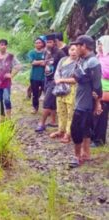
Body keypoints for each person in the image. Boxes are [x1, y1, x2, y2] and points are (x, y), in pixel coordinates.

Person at [69, 35, 103, 168]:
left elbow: (96, 85)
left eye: (77, 46)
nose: (75, 48)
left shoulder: (93, 62)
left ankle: (77, 157)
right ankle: (86, 154)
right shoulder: (83, 60)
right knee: (85, 128)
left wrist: (97, 103)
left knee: (76, 128)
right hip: (81, 98)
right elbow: (78, 77)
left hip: (86, 102)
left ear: (84, 46)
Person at [35, 33, 66, 132]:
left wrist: (60, 79)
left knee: (47, 101)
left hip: (55, 80)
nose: (48, 44)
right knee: (52, 102)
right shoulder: (46, 52)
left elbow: (65, 65)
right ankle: (53, 121)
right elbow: (46, 63)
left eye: (50, 42)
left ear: (55, 42)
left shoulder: (60, 53)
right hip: (46, 78)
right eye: (47, 42)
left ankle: (42, 124)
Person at [49, 45, 78, 143]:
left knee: (71, 113)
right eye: (72, 49)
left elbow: (76, 79)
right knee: (60, 111)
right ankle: (61, 130)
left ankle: (68, 134)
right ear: (68, 50)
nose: (74, 52)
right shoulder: (63, 60)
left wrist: (62, 80)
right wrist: (58, 80)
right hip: (60, 89)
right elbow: (57, 72)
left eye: (76, 50)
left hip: (72, 89)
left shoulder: (80, 62)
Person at [0, 39, 21, 121]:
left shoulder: (11, 56)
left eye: (5, 44)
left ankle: (9, 118)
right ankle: (2, 117)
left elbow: (19, 66)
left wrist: (11, 75)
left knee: (7, 99)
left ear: (6, 46)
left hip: (6, 83)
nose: (3, 46)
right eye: (1, 44)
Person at [91, 35, 109, 147]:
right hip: (98, 89)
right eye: (98, 44)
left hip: (106, 89)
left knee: (101, 115)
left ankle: (99, 140)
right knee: (97, 114)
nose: (99, 46)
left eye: (101, 44)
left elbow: (106, 73)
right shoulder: (98, 56)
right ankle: (96, 137)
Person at [28, 37, 46, 114]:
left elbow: (47, 62)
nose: (38, 44)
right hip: (34, 76)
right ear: (34, 44)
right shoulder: (31, 52)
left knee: (46, 93)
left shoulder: (46, 52)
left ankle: (46, 109)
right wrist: (42, 61)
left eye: (39, 42)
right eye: (36, 43)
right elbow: (32, 62)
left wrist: (37, 62)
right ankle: (35, 107)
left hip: (44, 76)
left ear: (42, 43)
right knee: (35, 93)